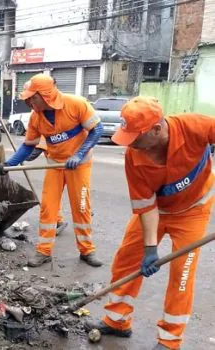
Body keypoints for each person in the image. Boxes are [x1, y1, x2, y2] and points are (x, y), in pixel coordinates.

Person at [86, 97, 215, 350]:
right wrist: (150, 249)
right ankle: (117, 321)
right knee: (126, 260)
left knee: (182, 271)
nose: (130, 143)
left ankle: (169, 339)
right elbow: (146, 206)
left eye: (135, 136)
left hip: (192, 211)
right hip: (156, 209)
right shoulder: (133, 157)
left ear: (156, 129)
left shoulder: (195, 126)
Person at [0, 73, 103, 267]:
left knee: (81, 208)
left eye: (31, 97)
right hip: (54, 164)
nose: (28, 101)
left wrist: (78, 155)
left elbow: (97, 129)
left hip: (79, 165)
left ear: (45, 95)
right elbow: (28, 146)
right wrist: (8, 165)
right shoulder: (36, 117)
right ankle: (44, 252)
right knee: (48, 208)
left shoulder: (76, 104)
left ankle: (87, 251)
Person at [26, 138, 69, 236]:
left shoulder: (44, 131)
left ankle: (83, 211)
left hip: (72, 166)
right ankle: (58, 220)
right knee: (52, 196)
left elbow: (32, 154)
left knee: (77, 197)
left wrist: (20, 156)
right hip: (57, 167)